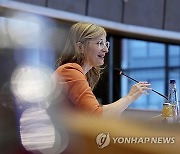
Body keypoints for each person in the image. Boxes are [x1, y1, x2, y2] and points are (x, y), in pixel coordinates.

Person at [52, 22, 151, 117]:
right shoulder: (70, 71)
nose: (106, 49)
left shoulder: (77, 73)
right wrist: (130, 97)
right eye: (99, 43)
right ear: (80, 47)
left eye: (105, 44)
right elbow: (96, 116)